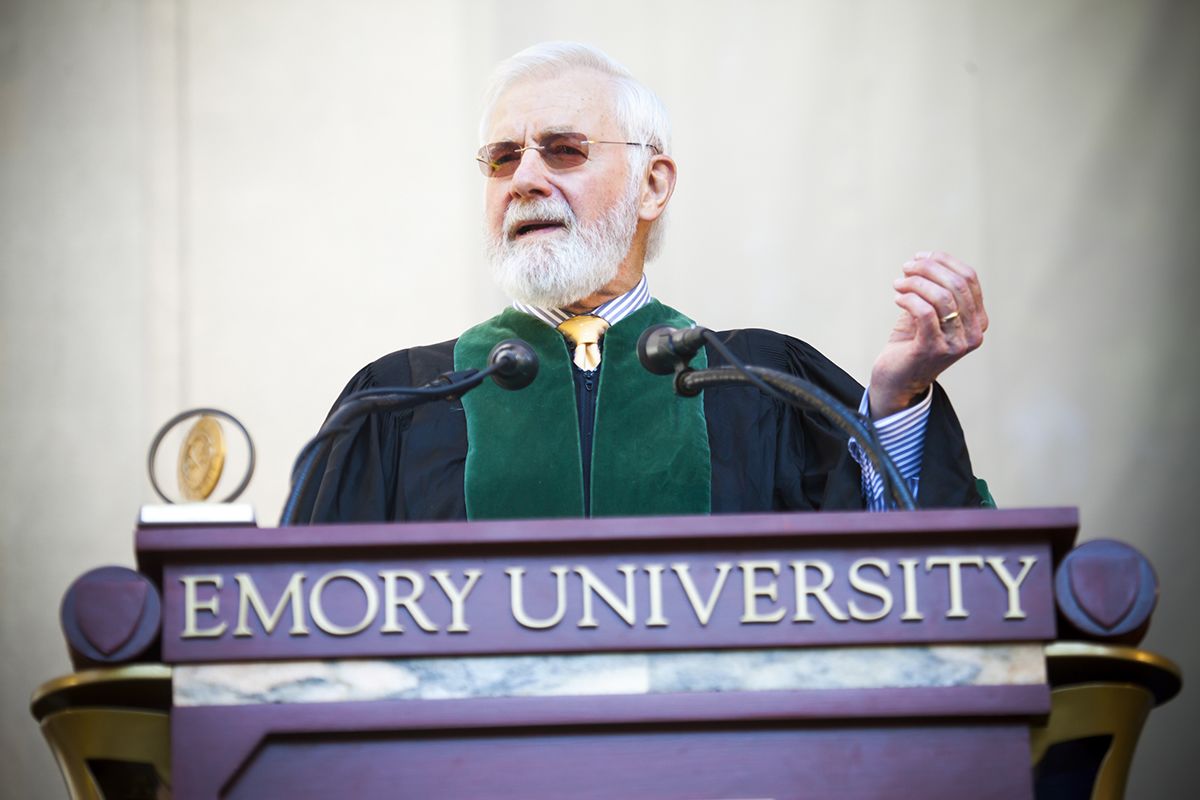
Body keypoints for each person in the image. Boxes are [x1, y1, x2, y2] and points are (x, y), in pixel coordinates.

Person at [293, 41, 988, 524]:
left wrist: (895, 403)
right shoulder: (399, 403)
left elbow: (905, 582)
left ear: (652, 185)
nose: (525, 178)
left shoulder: (761, 384)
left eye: (564, 150)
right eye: (502, 159)